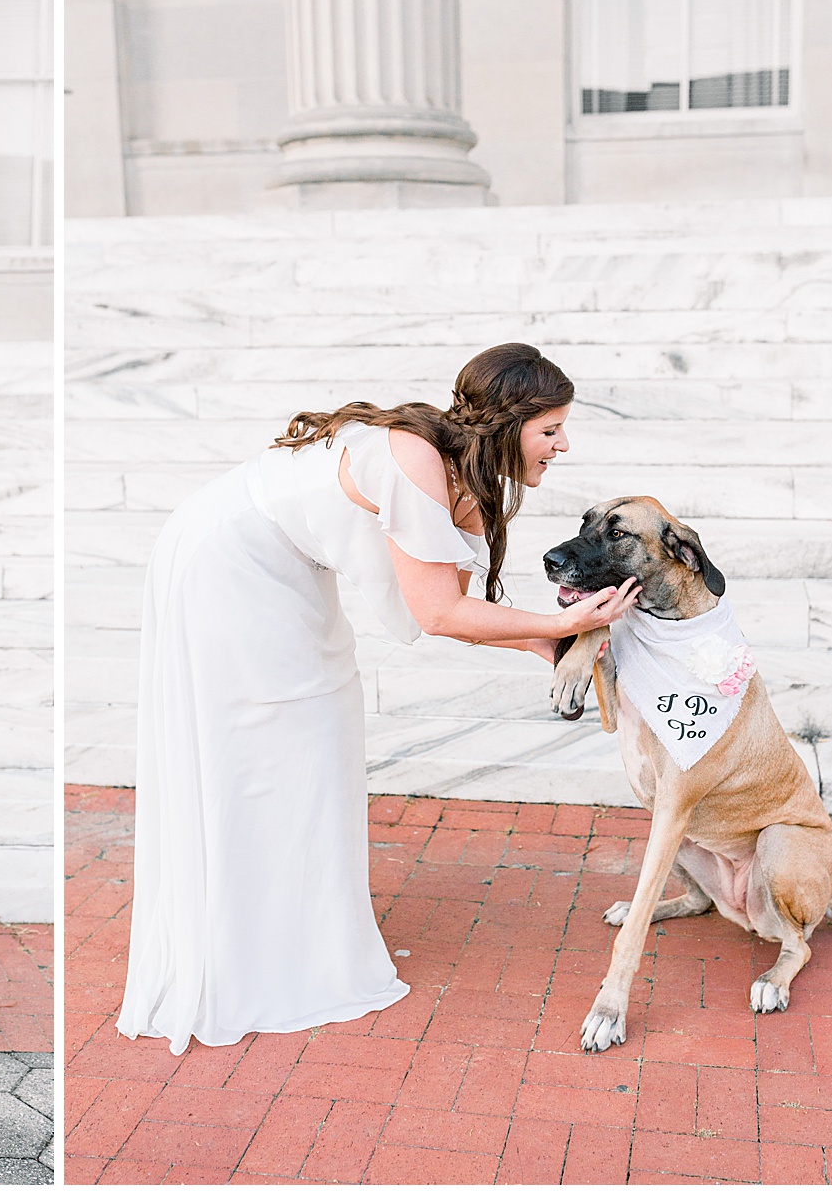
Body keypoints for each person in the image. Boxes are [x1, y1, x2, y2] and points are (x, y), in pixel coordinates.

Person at [117, 343, 641, 1055]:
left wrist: (551, 646)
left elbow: (455, 611)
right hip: (226, 563)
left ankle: (294, 941)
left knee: (320, 739)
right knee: (263, 752)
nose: (563, 445)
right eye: (550, 429)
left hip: (285, 570)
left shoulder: (462, 481)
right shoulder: (416, 460)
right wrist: (562, 625)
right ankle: (242, 957)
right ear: (508, 423)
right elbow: (439, 614)